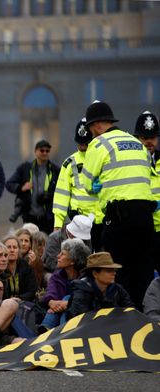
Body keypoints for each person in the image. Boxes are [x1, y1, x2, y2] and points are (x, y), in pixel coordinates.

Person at [81, 100, 155, 309]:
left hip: (119, 219)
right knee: (144, 273)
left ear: (95, 126)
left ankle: (123, 324)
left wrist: (96, 186)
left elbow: (87, 183)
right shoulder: (138, 144)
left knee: (118, 274)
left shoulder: (99, 144)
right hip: (145, 219)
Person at [52, 119, 102, 248]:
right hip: (78, 222)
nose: (83, 147)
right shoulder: (70, 163)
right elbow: (61, 195)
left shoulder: (104, 158)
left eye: (86, 143)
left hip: (101, 219)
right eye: (80, 143)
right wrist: (57, 224)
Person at [5, 139, 60, 233]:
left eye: (47, 151)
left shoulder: (55, 170)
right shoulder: (25, 168)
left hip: (48, 216)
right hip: (30, 216)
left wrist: (50, 195)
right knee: (28, 243)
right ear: (35, 151)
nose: (45, 153)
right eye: (42, 150)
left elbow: (62, 189)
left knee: (46, 244)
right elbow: (9, 184)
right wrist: (21, 187)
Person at [40, 239, 90, 329]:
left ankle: (51, 329)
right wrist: (51, 302)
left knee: (67, 298)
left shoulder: (86, 277)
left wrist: (67, 304)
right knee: (59, 306)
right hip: (57, 315)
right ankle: (46, 329)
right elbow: (51, 292)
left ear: (72, 261)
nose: (58, 256)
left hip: (81, 319)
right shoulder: (57, 276)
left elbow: (83, 301)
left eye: (62, 254)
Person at [132, 110, 160, 275]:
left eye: (153, 137)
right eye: (144, 138)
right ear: (137, 139)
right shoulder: (129, 162)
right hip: (141, 227)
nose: (149, 142)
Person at [67, 252, 134, 319]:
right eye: (109, 271)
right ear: (95, 274)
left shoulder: (118, 289)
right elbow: (79, 319)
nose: (114, 273)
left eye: (114, 270)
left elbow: (131, 311)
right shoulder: (81, 291)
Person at [1, 236, 37, 301]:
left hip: (23, 303)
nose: (12, 250)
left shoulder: (25, 266)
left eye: (15, 247)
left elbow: (32, 291)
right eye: (9, 247)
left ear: (19, 250)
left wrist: (19, 298)